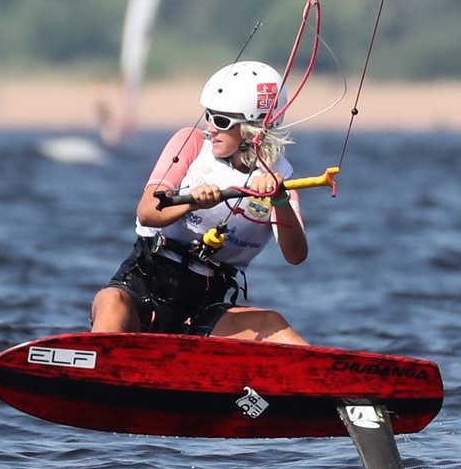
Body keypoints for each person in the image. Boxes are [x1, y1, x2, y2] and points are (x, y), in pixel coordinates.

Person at [90, 61, 309, 345]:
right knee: (111, 301)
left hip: (206, 302)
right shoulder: (190, 143)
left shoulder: (279, 178)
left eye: (221, 121)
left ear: (252, 130)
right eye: (209, 115)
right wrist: (192, 202)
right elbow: (146, 212)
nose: (210, 127)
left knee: (272, 324)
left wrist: (279, 199)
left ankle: (337, 386)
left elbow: (296, 255)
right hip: (145, 281)